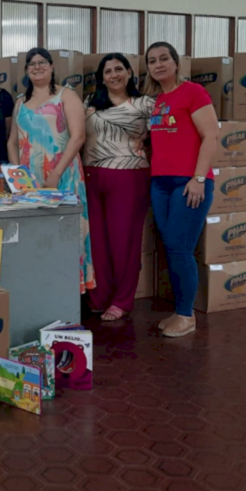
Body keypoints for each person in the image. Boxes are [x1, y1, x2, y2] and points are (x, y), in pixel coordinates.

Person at [144, 41, 219, 338]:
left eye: (164, 58)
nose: (158, 64)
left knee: (180, 248)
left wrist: (199, 178)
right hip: (160, 182)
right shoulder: (158, 100)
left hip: (188, 183)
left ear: (176, 63)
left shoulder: (193, 92)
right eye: (152, 61)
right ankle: (179, 311)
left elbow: (211, 136)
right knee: (172, 248)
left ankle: (187, 315)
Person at [7, 48, 94, 292]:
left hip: (63, 176)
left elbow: (78, 137)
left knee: (67, 234)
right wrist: (17, 178)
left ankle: (66, 293)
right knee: (34, 236)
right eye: (32, 64)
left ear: (52, 66)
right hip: (29, 182)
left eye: (42, 62)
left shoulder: (66, 96)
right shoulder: (20, 102)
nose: (37, 67)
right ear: (26, 70)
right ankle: (39, 290)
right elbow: (12, 142)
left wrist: (55, 174)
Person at [82, 54, 155, 321]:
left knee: (124, 241)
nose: (114, 74)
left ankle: (122, 301)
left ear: (129, 73)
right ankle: (99, 297)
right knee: (96, 242)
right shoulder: (90, 103)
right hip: (91, 176)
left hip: (128, 176)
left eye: (119, 69)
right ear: (101, 77)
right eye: (108, 71)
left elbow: (161, 139)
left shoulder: (145, 104)